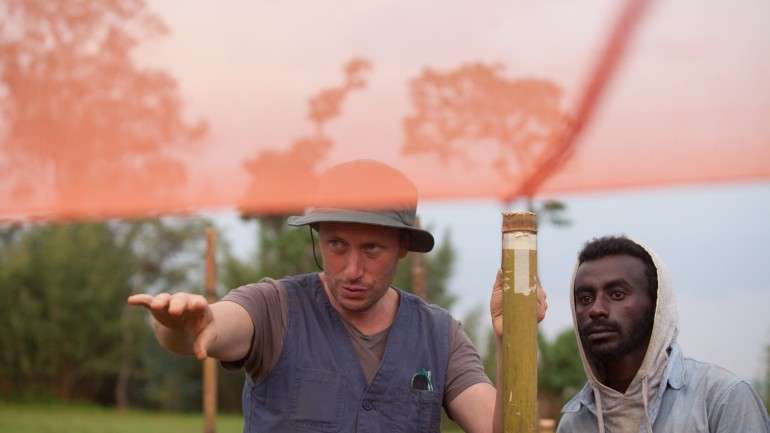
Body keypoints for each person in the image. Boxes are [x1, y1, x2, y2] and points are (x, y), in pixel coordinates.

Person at [128, 159, 546, 433]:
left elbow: (498, 429)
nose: (351, 270)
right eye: (337, 245)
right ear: (318, 239)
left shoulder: (439, 334)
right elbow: (215, 327)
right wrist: (181, 328)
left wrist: (511, 342)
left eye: (371, 250)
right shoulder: (275, 308)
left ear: (402, 247)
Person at [557, 235, 770, 433]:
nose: (596, 309)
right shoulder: (574, 422)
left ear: (656, 306)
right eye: (585, 298)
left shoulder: (722, 399)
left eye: (617, 294)